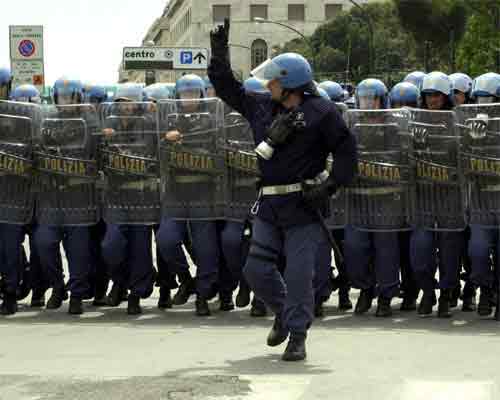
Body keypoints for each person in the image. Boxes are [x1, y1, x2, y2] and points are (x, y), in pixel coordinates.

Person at [208, 19, 357, 361]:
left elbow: (347, 151)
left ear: (289, 84)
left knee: (300, 274)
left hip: (304, 205)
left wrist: (331, 185)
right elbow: (226, 86)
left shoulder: (322, 111)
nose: (268, 84)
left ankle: (298, 337)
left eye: (274, 79)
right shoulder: (261, 106)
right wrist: (219, 51)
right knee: (255, 269)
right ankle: (284, 314)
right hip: (269, 203)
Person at [156, 74, 220, 317]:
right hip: (176, 192)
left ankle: (202, 295)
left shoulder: (213, 119)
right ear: (178, 96)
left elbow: (220, 150)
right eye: (185, 94)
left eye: (194, 93)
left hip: (203, 191)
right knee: (166, 239)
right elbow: (156, 153)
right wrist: (165, 140)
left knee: (206, 249)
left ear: (202, 95)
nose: (190, 98)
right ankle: (185, 279)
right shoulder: (169, 120)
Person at [34, 78, 97, 314]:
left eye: (69, 96)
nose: (65, 101)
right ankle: (58, 286)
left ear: (78, 97)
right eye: (61, 96)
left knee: (78, 251)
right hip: (52, 197)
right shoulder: (47, 120)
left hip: (78, 196)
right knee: (43, 242)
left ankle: (77, 295)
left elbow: (94, 148)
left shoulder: (88, 120)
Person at [344, 78, 402, 317]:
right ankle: (365, 288)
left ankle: (386, 296)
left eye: (372, 98)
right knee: (354, 247)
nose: (367, 103)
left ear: (382, 100)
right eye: (364, 98)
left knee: (385, 249)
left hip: (386, 198)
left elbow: (400, 158)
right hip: (358, 198)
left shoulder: (393, 127)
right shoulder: (351, 126)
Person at [99, 83, 156, 315]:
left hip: (141, 195)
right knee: (111, 246)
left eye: (129, 102)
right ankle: (120, 282)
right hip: (116, 196)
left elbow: (153, 156)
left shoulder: (148, 126)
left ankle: (136, 294)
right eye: (121, 103)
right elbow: (97, 157)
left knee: (140, 249)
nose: (125, 107)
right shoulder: (108, 125)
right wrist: (103, 141)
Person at [410, 71, 463, 318]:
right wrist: (413, 142)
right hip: (422, 198)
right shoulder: (413, 121)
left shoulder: (457, 121)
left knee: (450, 252)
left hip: (450, 199)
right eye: (428, 95)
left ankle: (445, 294)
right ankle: (427, 291)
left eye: (437, 95)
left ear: (446, 97)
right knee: (420, 253)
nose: (432, 100)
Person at [466, 72, 500, 316]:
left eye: (489, 99)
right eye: (479, 100)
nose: (483, 106)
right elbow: (459, 162)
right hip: (480, 201)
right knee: (477, 252)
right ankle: (485, 288)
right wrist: (475, 141)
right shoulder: (469, 126)